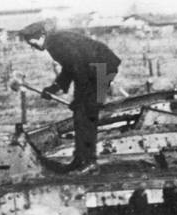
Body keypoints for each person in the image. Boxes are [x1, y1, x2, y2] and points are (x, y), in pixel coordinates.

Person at [19, 21, 120, 173]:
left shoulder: (57, 44)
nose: (32, 46)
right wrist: (55, 87)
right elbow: (69, 68)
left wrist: (79, 99)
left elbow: (79, 69)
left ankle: (89, 162)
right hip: (97, 68)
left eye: (32, 42)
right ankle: (80, 159)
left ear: (41, 36)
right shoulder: (55, 42)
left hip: (102, 69)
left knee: (87, 113)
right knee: (81, 113)